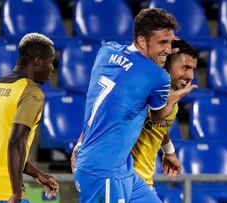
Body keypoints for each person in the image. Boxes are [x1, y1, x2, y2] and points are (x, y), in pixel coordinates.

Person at [73, 8, 197, 203]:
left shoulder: (106, 51)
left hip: (123, 167)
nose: (167, 49)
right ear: (141, 41)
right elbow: (157, 117)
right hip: (103, 168)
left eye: (170, 43)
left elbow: (106, 104)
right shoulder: (158, 76)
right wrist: (175, 97)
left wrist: (81, 142)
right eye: (162, 42)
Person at [0, 33, 59, 203]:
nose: (51, 68)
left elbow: (0, 149)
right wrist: (16, 192)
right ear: (37, 61)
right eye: (50, 61)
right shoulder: (31, 93)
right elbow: (16, 142)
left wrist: (37, 173)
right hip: (2, 192)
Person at [131, 38, 198, 188]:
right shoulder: (143, 90)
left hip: (144, 182)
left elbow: (158, 127)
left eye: (193, 69)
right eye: (185, 67)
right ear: (167, 63)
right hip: (124, 180)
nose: (191, 76)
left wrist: (169, 152)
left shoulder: (172, 102)